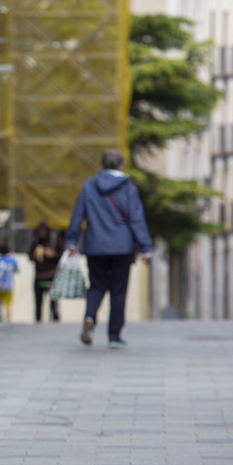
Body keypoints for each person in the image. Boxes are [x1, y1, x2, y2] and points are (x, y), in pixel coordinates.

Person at [65, 149, 152, 348]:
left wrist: (71, 242)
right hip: (123, 246)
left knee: (96, 285)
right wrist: (145, 247)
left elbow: (78, 215)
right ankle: (114, 336)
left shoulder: (89, 186)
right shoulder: (128, 187)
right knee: (119, 290)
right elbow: (136, 218)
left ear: (102, 164)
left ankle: (89, 317)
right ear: (122, 164)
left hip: (95, 245)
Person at [28, 221, 61, 322]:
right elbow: (30, 256)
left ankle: (55, 320)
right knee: (38, 302)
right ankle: (38, 321)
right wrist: (35, 255)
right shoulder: (36, 242)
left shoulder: (54, 241)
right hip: (39, 276)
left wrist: (52, 254)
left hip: (51, 275)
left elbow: (61, 254)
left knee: (53, 302)